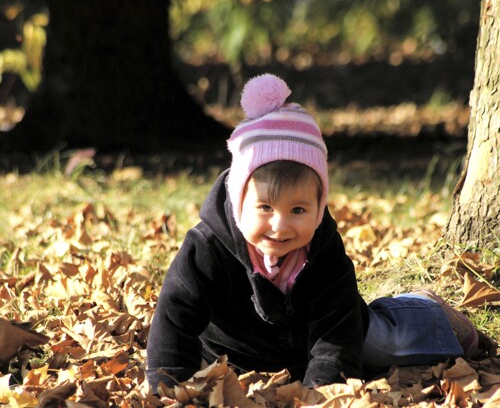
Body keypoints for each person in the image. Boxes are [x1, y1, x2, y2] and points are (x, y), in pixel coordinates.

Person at [146, 74, 479, 392]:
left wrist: (322, 393)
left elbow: (336, 336)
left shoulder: (323, 250)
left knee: (387, 346)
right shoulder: (207, 248)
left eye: (298, 210)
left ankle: (425, 311)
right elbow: (175, 319)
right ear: (238, 202)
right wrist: (169, 388)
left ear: (319, 208)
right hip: (234, 350)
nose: (280, 226)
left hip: (329, 333)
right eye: (265, 208)